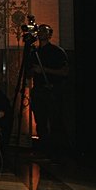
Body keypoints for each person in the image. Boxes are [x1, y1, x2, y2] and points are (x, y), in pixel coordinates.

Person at [27, 24, 70, 156]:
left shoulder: (57, 52)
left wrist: (44, 70)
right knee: (40, 121)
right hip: (39, 91)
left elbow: (64, 72)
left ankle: (57, 152)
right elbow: (29, 73)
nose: (41, 32)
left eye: (44, 31)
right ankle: (43, 150)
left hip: (53, 90)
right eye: (39, 30)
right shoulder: (34, 52)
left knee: (55, 121)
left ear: (50, 34)